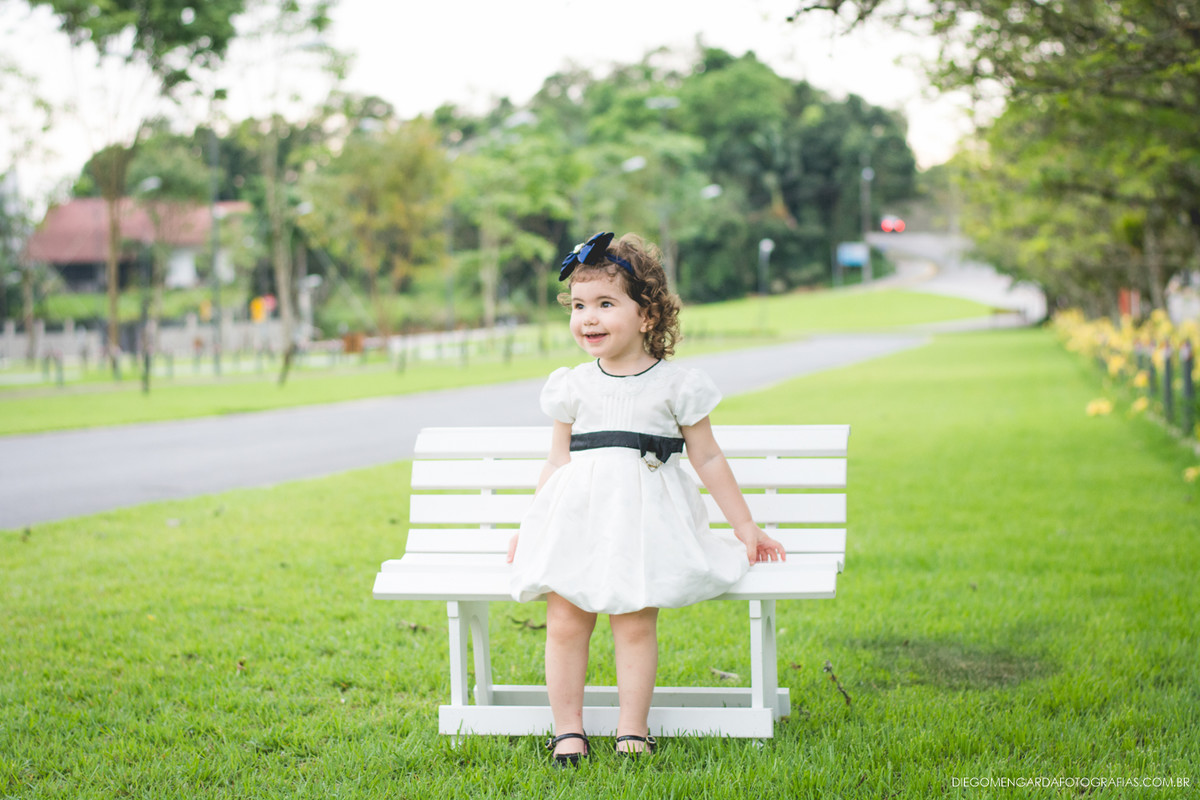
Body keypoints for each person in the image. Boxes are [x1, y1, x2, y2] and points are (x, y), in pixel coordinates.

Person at [506, 231, 787, 767]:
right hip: (576, 524)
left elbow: (707, 460)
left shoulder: (676, 386)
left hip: (642, 527)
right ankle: (568, 730)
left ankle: (632, 729)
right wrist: (532, 524)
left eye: (606, 304)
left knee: (634, 623)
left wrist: (745, 526)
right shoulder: (571, 386)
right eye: (580, 305)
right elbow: (556, 462)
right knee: (565, 621)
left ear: (648, 316)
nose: (588, 318)